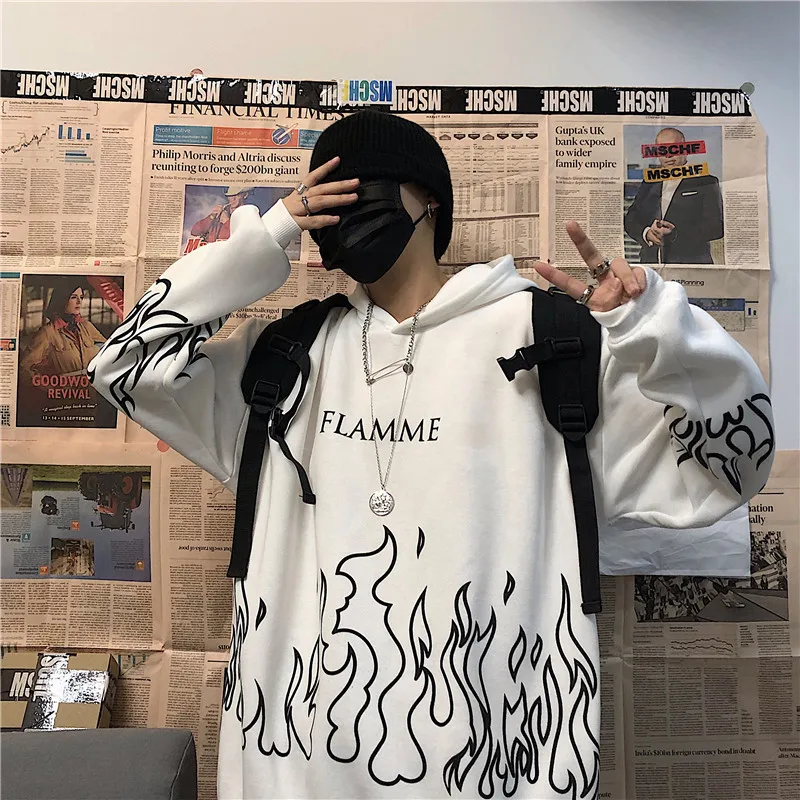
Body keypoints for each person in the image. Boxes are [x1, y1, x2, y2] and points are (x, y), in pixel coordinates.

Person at [88, 110, 774, 799]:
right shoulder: (284, 359)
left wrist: (652, 331)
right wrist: (268, 238)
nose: (342, 209)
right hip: (293, 776)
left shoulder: (551, 342)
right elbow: (122, 366)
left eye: (365, 188)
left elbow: (734, 464)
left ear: (429, 201)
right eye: (324, 195)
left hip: (499, 772)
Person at [624, 127, 724, 264]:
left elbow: (716, 226)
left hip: (689, 265)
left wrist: (675, 235)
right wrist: (647, 233)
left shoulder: (706, 181)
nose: (668, 156)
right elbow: (631, 218)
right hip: (651, 265)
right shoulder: (649, 182)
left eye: (674, 149)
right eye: (662, 150)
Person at [20, 280, 105, 381]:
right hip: (65, 389)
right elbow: (25, 369)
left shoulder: (87, 326)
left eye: (81, 297)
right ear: (62, 299)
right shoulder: (48, 332)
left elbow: (109, 350)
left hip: (90, 389)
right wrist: (48, 386)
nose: (79, 301)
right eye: (73, 297)